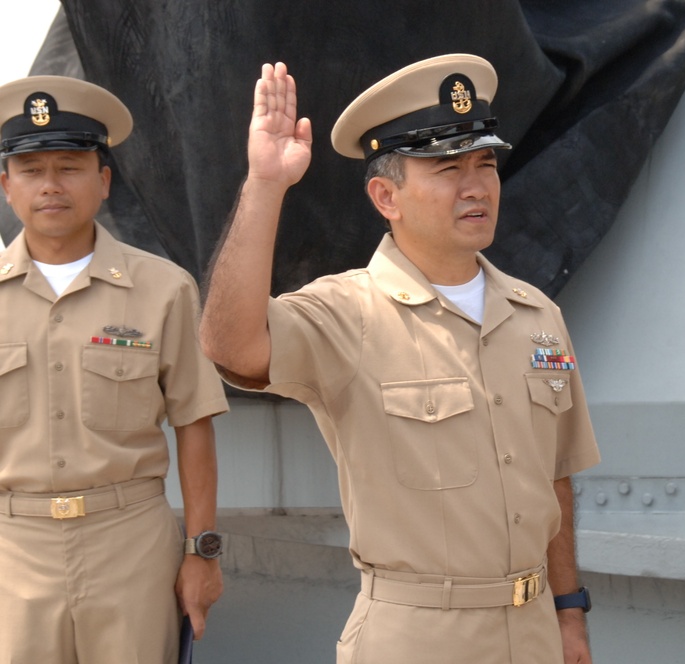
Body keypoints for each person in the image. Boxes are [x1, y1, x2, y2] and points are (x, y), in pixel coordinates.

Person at [200, 55, 601, 663]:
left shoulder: (537, 315)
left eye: (485, 163)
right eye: (447, 168)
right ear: (386, 195)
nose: (476, 186)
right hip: (418, 636)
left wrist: (569, 613)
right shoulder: (347, 313)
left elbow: (555, 477)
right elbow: (230, 346)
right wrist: (265, 185)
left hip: (536, 629)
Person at [0, 75, 229, 663]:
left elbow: (194, 423)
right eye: (31, 170)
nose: (51, 185)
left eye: (70, 166)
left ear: (104, 181)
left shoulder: (163, 290)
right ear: (6, 186)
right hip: (12, 550)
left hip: (129, 543)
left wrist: (201, 552)